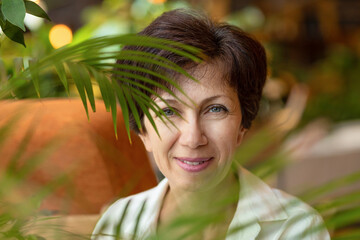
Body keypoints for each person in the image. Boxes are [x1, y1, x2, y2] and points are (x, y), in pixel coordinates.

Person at [92, 9, 330, 240]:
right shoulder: (118, 226)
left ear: (242, 125)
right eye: (168, 111)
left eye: (215, 109)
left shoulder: (297, 229)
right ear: (143, 132)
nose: (193, 138)